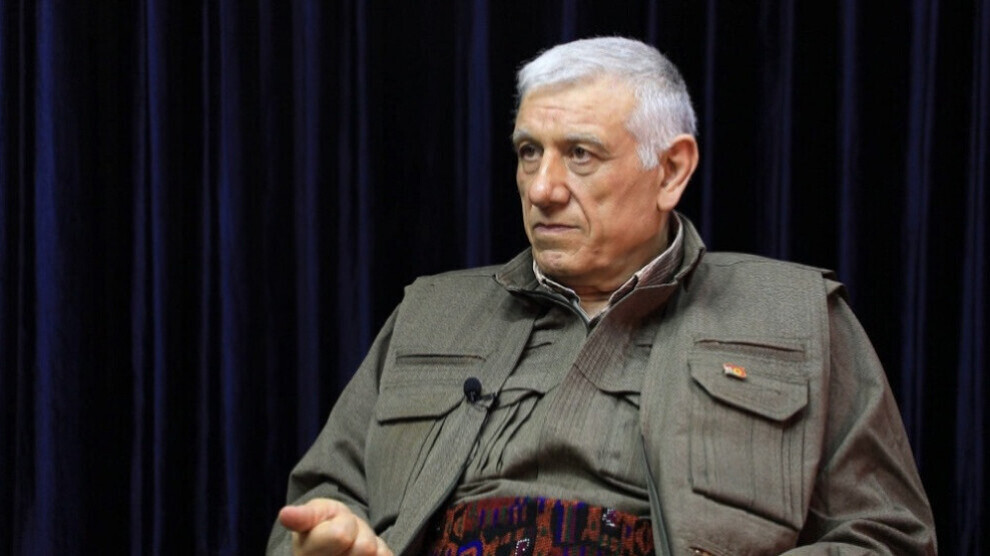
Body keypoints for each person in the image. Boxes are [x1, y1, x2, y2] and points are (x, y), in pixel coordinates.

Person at [268, 37, 936, 555]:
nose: (542, 188)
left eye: (580, 154)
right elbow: (318, 503)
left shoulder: (795, 316)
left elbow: (890, 537)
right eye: (529, 152)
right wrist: (328, 540)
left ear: (670, 170)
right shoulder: (431, 314)